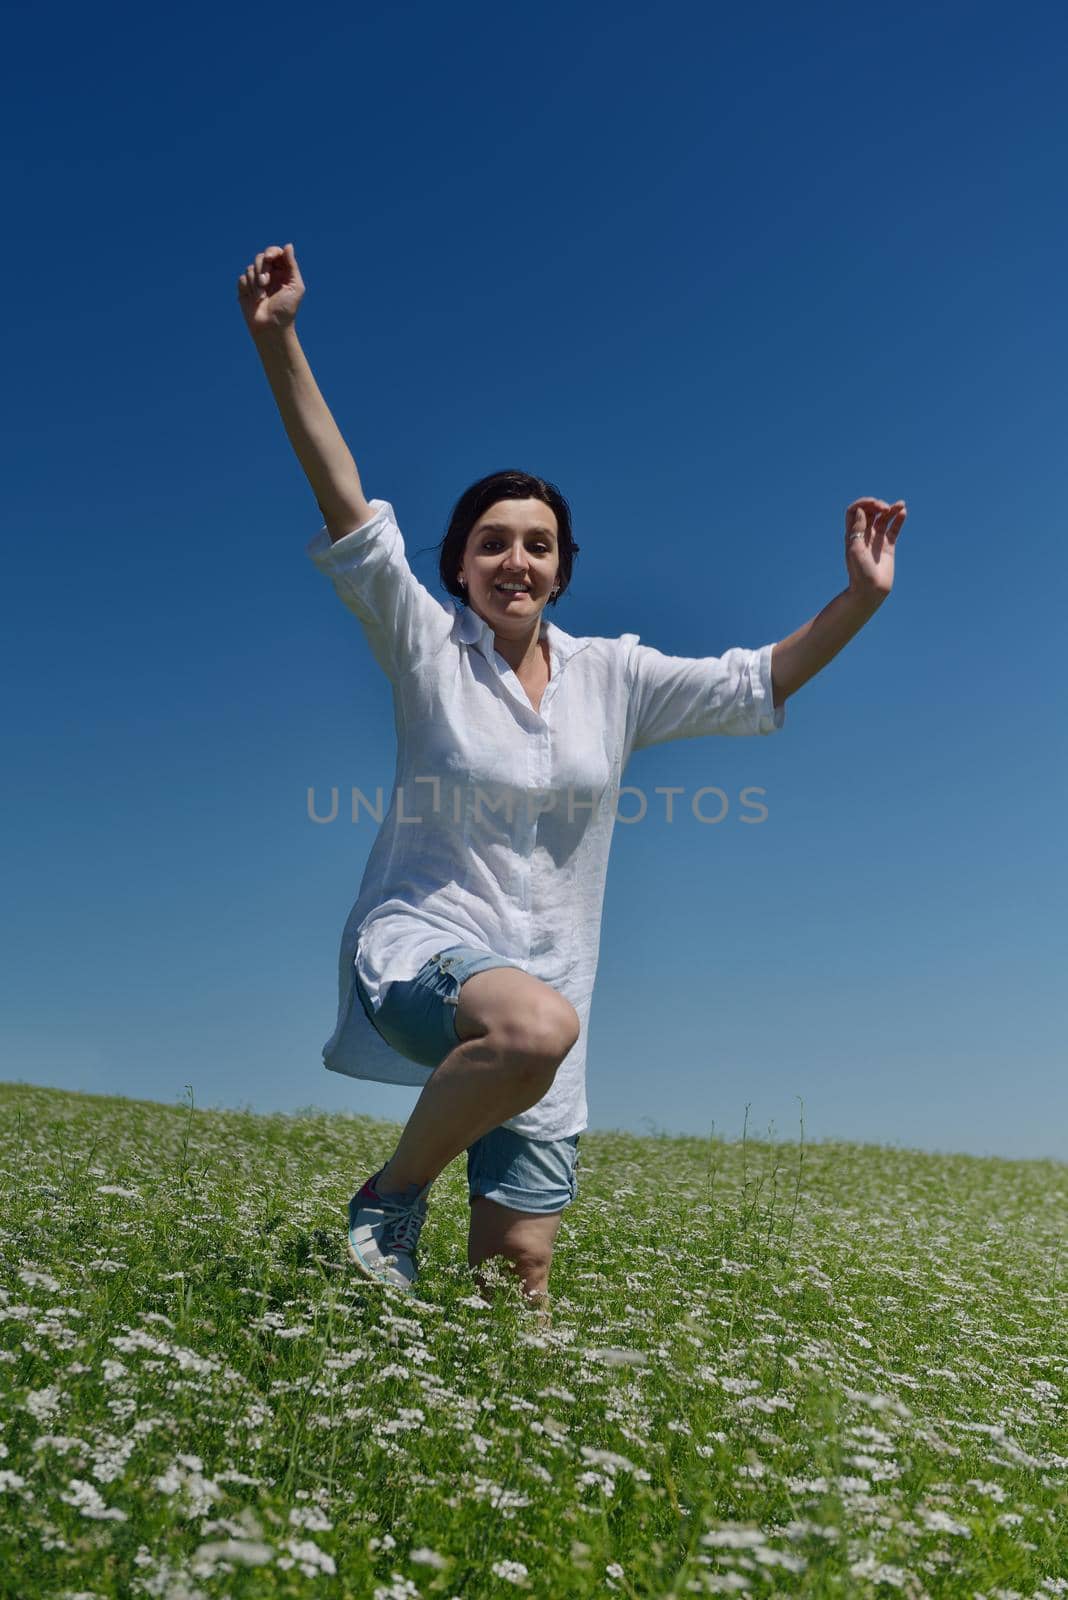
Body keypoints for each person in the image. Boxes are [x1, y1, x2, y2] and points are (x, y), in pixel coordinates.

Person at [237, 242, 908, 1321]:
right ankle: (390, 1198)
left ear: (563, 569)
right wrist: (278, 341)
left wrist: (859, 602)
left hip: (555, 997)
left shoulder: (620, 676)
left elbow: (755, 681)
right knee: (535, 1027)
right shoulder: (426, 642)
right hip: (424, 949)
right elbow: (348, 501)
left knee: (520, 1282)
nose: (517, 561)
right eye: (494, 543)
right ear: (460, 565)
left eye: (539, 546)